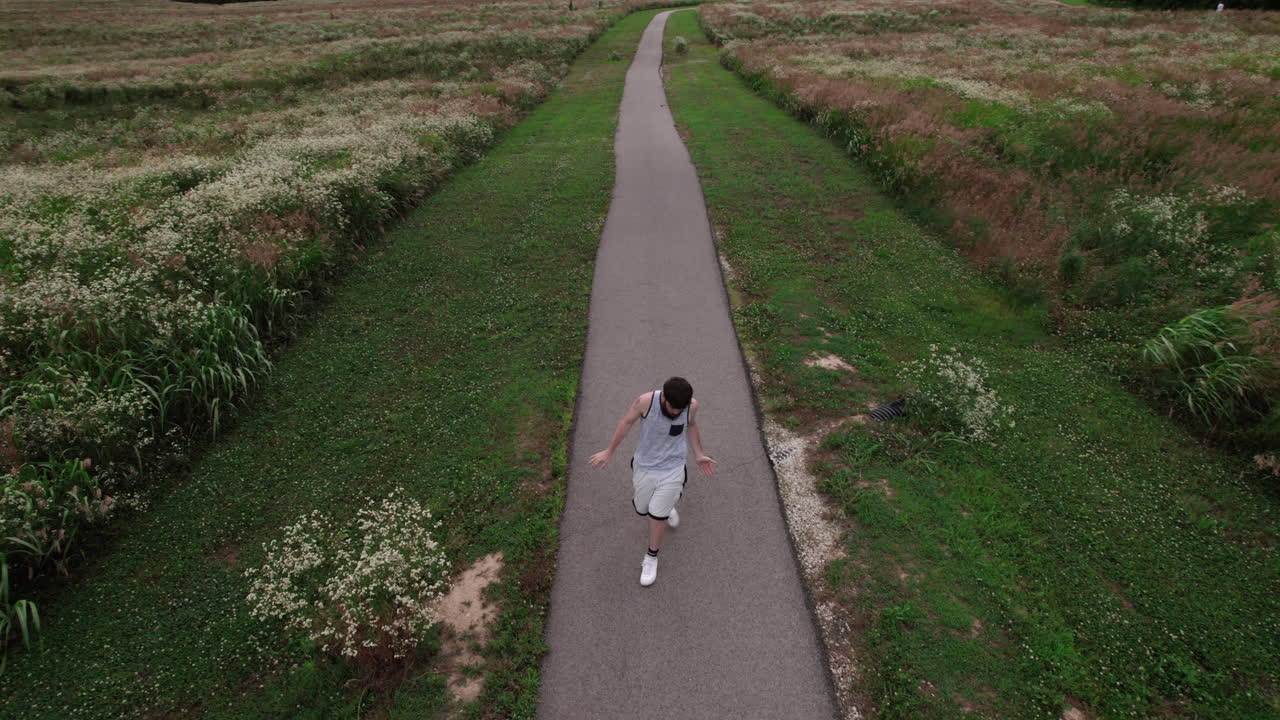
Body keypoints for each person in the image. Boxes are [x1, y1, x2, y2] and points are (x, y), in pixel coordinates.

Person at [589, 377, 717, 586]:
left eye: (680, 409)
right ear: (664, 397)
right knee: (642, 508)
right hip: (645, 466)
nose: (676, 412)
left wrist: (699, 454)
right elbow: (626, 422)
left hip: (673, 468)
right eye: (673, 407)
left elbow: (691, 426)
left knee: (656, 515)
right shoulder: (645, 402)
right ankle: (666, 507)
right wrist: (609, 451)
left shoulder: (690, 406)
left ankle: (651, 557)